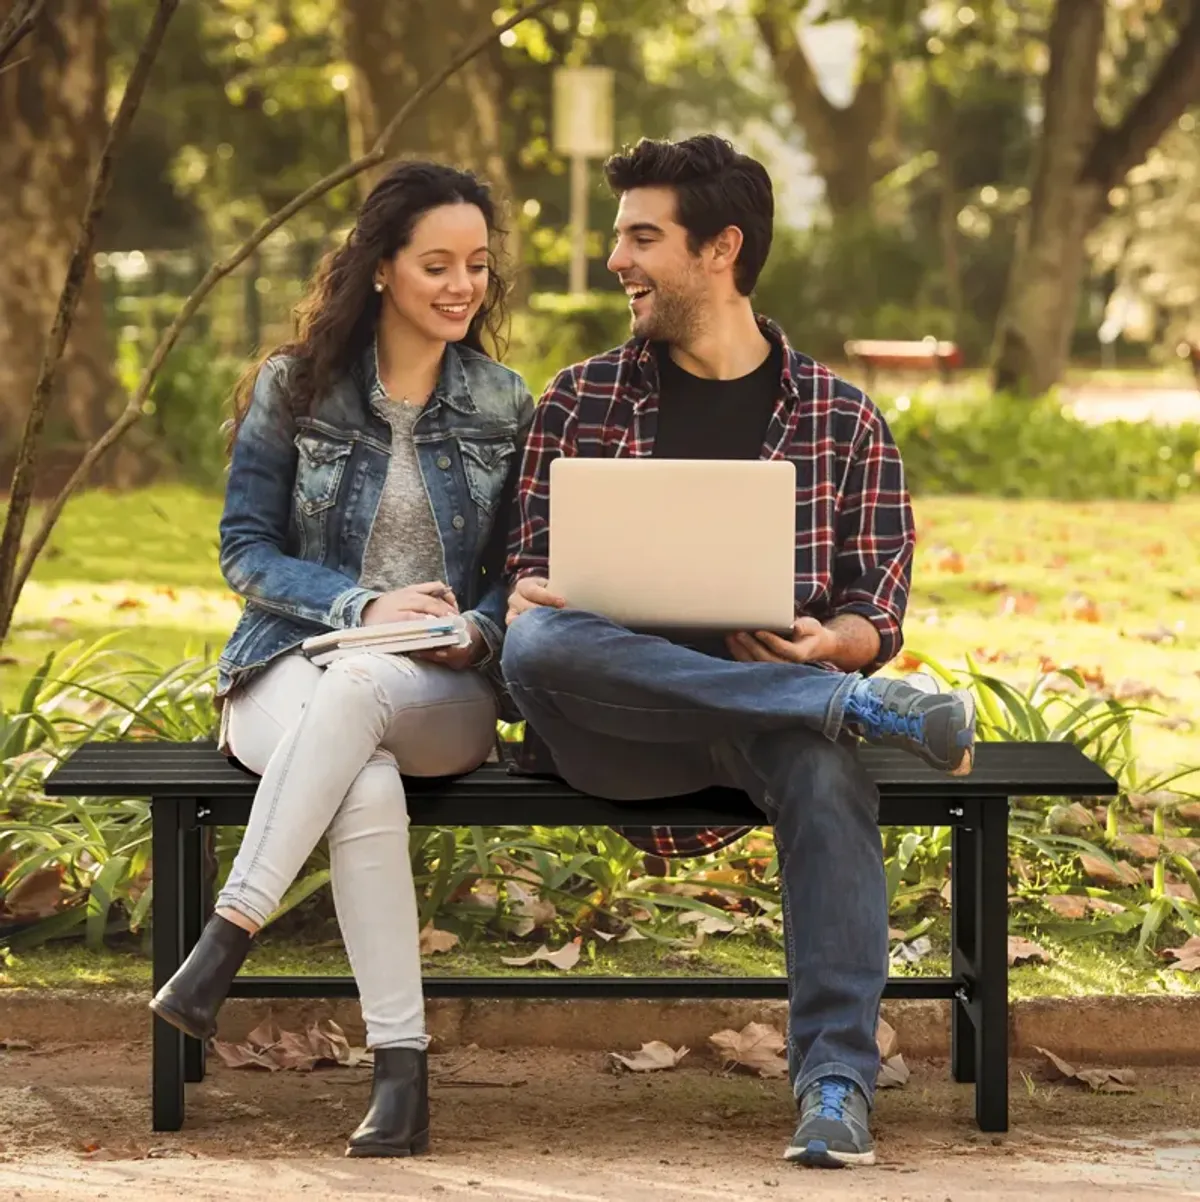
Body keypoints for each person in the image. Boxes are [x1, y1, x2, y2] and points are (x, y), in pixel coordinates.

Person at [500, 135, 974, 1170]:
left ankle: (837, 1081)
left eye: (641, 236)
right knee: (535, 641)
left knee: (820, 760)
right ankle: (844, 706)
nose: (617, 258)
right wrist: (526, 590)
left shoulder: (845, 419)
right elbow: (523, 582)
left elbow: (874, 609)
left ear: (720, 248)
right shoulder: (579, 400)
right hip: (615, 725)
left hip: (768, 727)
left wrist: (832, 643)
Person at [149, 161, 533, 1158]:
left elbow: (522, 570)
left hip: (435, 685)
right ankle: (401, 1077)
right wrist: (362, 603)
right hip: (290, 664)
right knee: (360, 777)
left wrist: (475, 629)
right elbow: (245, 549)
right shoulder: (298, 385)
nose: (462, 286)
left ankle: (225, 941)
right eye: (437, 264)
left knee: (369, 687)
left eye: (478, 267)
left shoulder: (502, 402)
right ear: (380, 268)